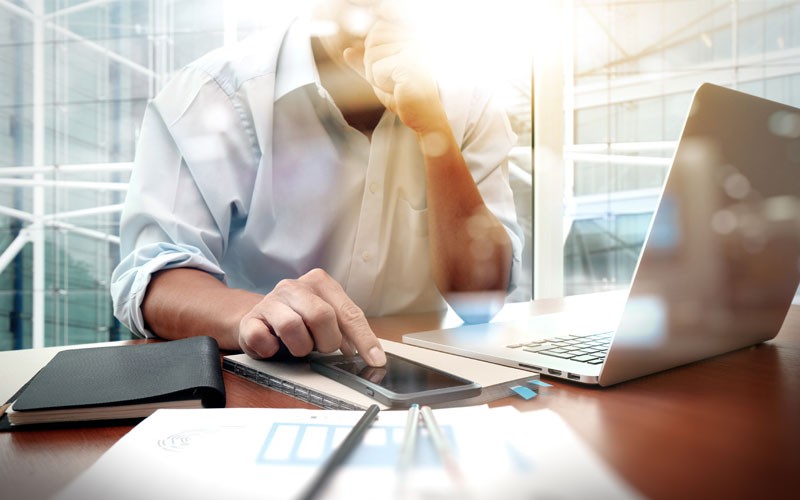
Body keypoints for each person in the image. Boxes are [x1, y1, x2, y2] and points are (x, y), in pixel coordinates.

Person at [110, 0, 523, 367]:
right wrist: (256, 314)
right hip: (264, 376)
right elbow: (154, 278)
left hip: (417, 382)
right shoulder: (217, 93)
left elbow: (480, 297)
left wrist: (434, 130)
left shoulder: (471, 101)